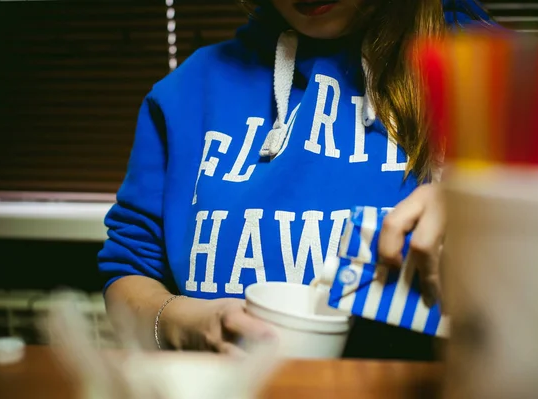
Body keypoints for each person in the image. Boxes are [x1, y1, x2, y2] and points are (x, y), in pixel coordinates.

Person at [97, 0, 496, 359]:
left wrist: (503, 213)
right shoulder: (186, 92)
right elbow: (129, 273)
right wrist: (187, 324)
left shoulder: (490, 70)